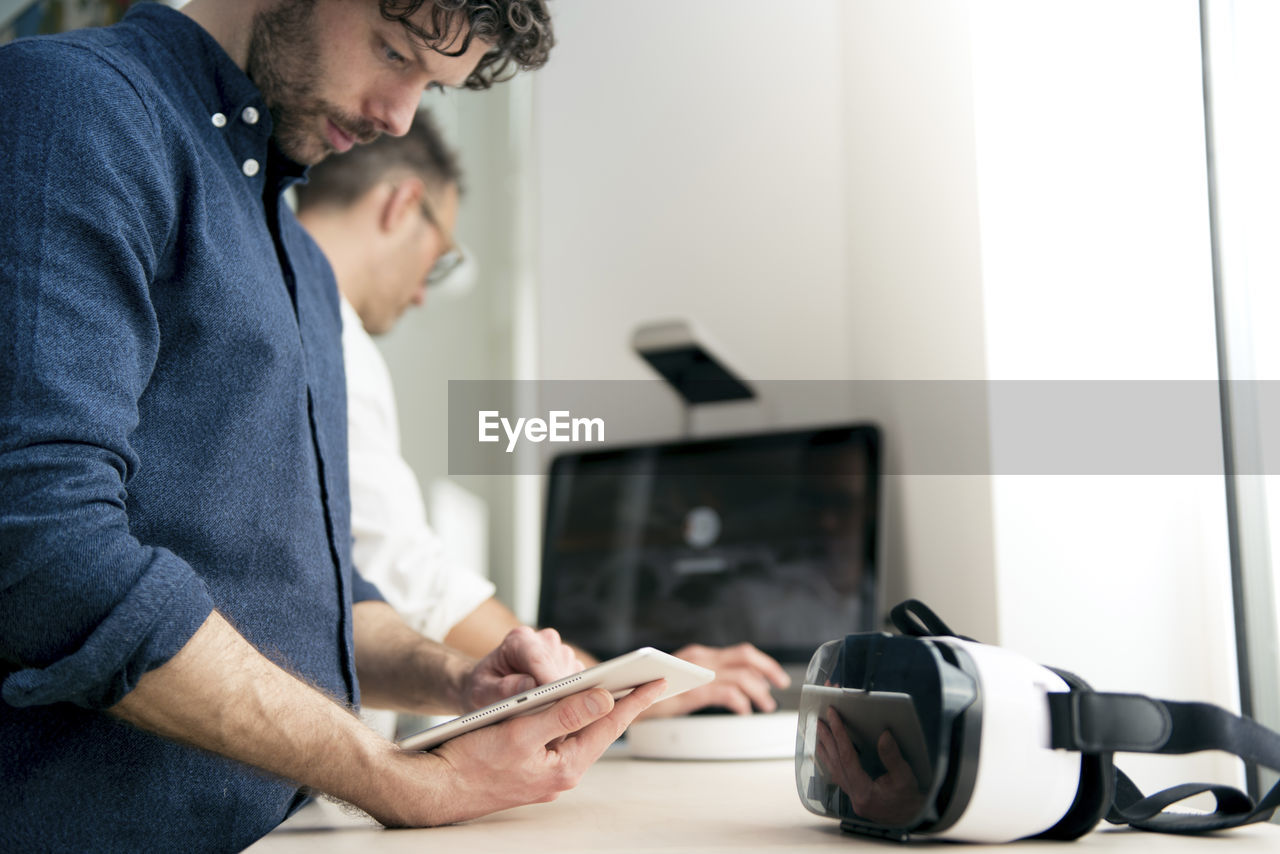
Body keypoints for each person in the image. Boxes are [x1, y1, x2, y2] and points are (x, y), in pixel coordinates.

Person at [0, 2, 665, 851]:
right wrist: (398, 781)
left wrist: (458, 679)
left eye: (431, 86)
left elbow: (319, 598)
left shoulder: (301, 262)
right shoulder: (74, 107)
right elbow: (45, 551)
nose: (397, 117)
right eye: (393, 51)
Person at [294, 110, 793, 721]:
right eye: (439, 257)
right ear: (403, 205)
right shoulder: (325, 336)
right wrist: (625, 690)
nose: (423, 291)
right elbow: (410, 582)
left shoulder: (275, 315)